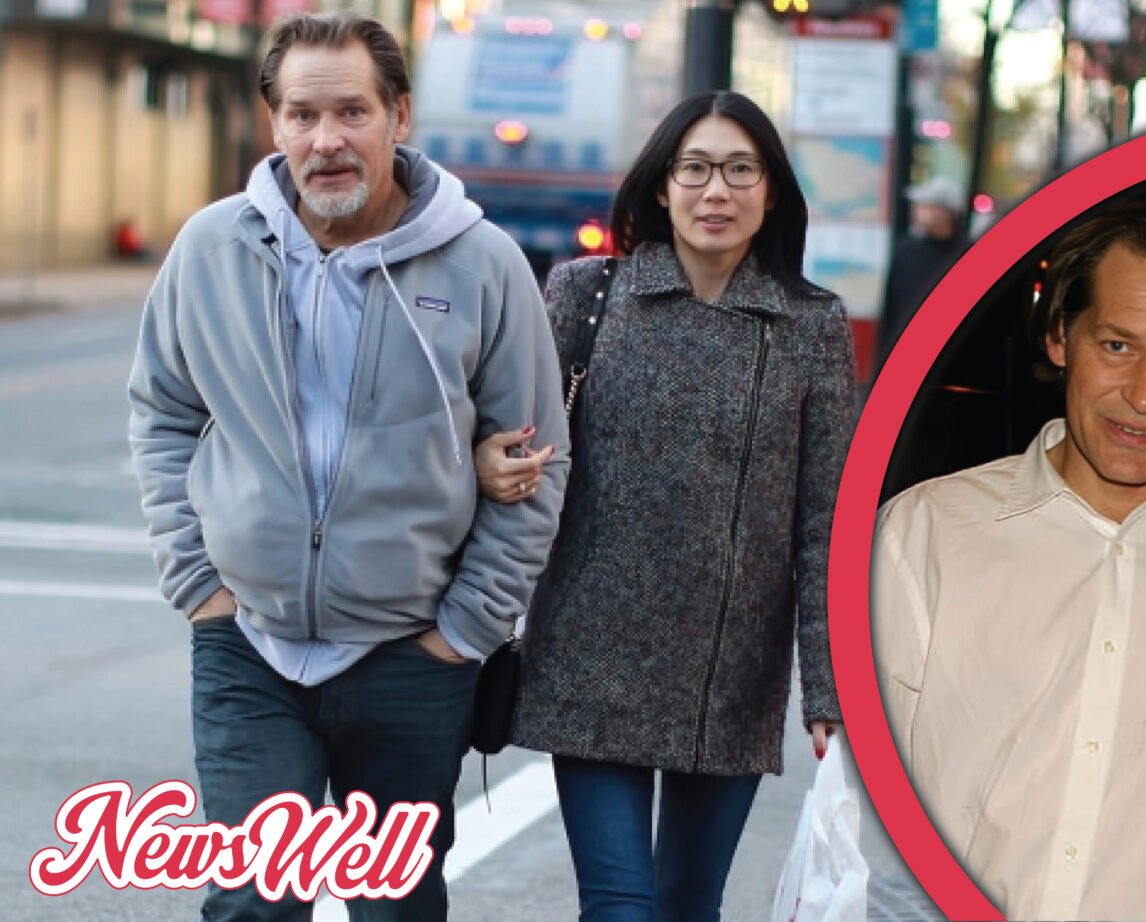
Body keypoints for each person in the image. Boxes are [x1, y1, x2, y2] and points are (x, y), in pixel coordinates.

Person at [126, 12, 568, 920]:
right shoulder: (211, 250)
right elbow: (163, 414)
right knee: (253, 903)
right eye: (301, 115)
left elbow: (535, 460)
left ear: (398, 115)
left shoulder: (482, 264)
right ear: (276, 124)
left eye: (352, 112)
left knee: (395, 911)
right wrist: (199, 585)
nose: (326, 141)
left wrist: (463, 632)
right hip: (249, 643)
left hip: (412, 656)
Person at [474, 90, 855, 922]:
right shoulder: (585, 294)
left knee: (689, 906)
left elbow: (825, 519)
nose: (715, 191)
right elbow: (513, 441)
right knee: (619, 906)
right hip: (591, 652)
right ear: (660, 186)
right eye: (695, 169)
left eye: (739, 170)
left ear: (772, 191)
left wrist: (825, 687)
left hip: (732, 671)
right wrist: (492, 467)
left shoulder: (811, 324)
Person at [871, 198, 1146, 919]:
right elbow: (860, 828)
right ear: (1059, 337)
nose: (1144, 395)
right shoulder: (923, 536)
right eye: (1117, 346)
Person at [875, 175, 970, 374]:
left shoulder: (968, 256)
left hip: (947, 363)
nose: (916, 211)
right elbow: (891, 309)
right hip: (903, 357)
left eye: (925, 206)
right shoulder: (906, 250)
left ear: (946, 213)